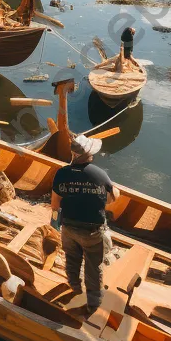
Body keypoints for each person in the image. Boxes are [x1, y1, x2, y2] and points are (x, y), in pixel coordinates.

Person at [50, 135, 118, 318]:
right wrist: (116, 191)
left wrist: (55, 222)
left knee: (72, 259)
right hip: (93, 232)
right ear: (89, 155)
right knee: (93, 267)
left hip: (69, 228)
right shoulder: (99, 174)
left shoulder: (62, 173)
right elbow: (110, 200)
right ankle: (93, 305)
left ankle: (75, 287)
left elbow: (55, 202)